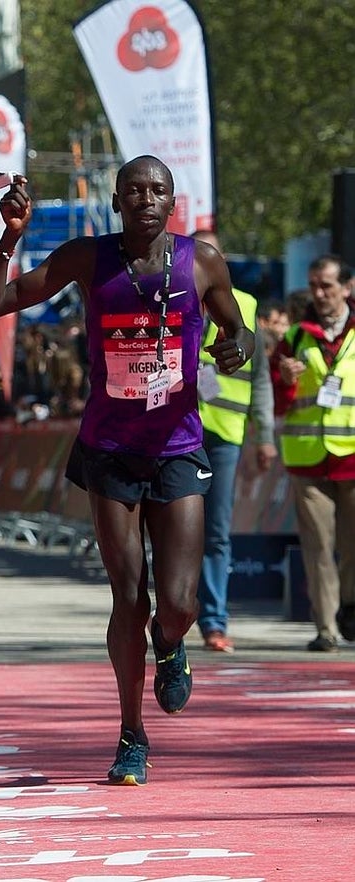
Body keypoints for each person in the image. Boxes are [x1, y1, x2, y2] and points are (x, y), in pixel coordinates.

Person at [0, 156, 253, 786]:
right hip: (109, 448)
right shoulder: (86, 257)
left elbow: (238, 328)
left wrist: (238, 345)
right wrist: (11, 237)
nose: (145, 199)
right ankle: (131, 734)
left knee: (176, 604)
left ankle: (172, 645)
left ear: (172, 202)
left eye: (157, 190)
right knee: (129, 597)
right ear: (117, 200)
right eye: (134, 190)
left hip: (177, 446)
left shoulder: (202, 261)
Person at [191, 229, 278, 653]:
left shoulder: (245, 305)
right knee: (173, 530)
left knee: (216, 532)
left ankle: (214, 621)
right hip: (177, 430)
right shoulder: (169, 301)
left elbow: (260, 378)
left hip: (225, 434)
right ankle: (171, 613)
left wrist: (265, 436)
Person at [270, 253, 355, 653]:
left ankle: (350, 610)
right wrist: (286, 380)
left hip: (352, 457)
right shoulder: (295, 337)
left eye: (327, 286)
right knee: (318, 547)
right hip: (307, 458)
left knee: (352, 544)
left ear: (348, 288)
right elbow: (277, 400)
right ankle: (326, 627)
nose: (319, 294)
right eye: (314, 286)